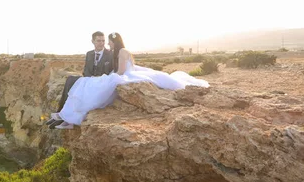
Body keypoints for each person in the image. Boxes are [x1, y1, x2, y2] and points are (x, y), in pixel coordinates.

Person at [53, 32, 210, 129]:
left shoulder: (121, 51)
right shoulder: (119, 50)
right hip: (128, 73)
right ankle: (66, 115)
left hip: (127, 74)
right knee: (90, 83)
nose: (107, 44)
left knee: (96, 85)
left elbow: (121, 71)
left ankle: (70, 115)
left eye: (108, 41)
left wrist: (108, 76)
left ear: (114, 42)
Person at [46, 31, 113, 128]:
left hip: (100, 82)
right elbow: (86, 70)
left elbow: (111, 72)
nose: (101, 43)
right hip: (88, 79)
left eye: (103, 41)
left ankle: (64, 118)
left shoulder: (110, 54)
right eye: (98, 41)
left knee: (77, 88)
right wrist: (89, 78)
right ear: (92, 41)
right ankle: (60, 114)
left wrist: (96, 79)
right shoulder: (89, 54)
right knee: (70, 79)